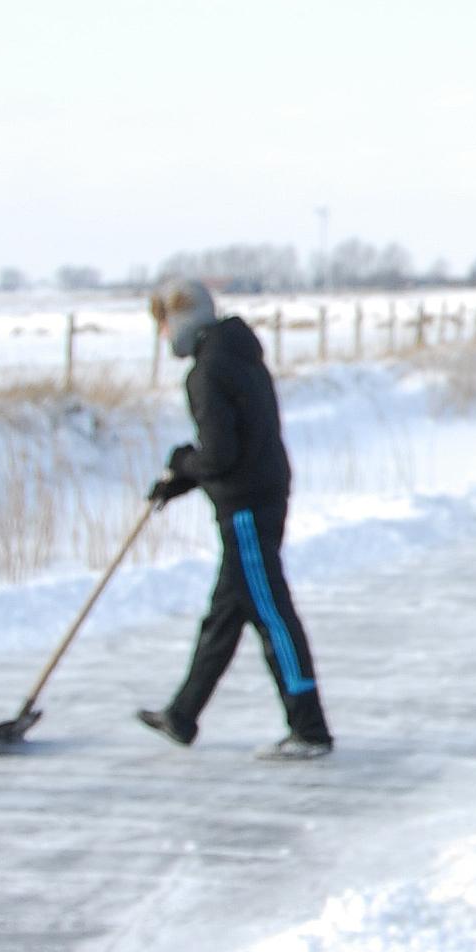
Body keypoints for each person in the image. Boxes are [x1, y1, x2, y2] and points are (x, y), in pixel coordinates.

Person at [136, 279, 333, 760]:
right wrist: (182, 479)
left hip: (245, 505)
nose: (163, 338)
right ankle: (183, 714)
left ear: (181, 321)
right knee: (226, 614)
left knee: (270, 613)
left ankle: (309, 729)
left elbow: (221, 455)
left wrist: (183, 463)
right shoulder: (237, 351)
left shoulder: (209, 369)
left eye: (163, 325)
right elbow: (235, 444)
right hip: (260, 492)